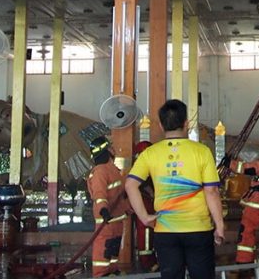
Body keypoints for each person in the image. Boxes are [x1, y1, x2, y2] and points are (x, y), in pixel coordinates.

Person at [125, 100, 225, 279]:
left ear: (161, 125)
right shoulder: (202, 151)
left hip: (166, 230)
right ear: (186, 123)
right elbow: (211, 192)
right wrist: (219, 225)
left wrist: (145, 217)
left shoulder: (150, 153)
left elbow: (130, 185)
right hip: (198, 229)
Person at [86, 136, 130, 276]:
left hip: (116, 219)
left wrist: (128, 208)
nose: (113, 149)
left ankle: (113, 271)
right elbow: (99, 194)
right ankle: (101, 274)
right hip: (106, 220)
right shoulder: (100, 172)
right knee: (104, 249)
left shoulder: (113, 170)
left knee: (113, 248)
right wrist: (103, 210)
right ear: (107, 150)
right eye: (110, 146)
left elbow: (119, 193)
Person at [230, 144, 259, 264]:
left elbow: (247, 168)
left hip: (257, 202)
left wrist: (230, 163)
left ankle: (244, 260)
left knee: (247, 230)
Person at [132, 140, 159, 272]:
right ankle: (147, 263)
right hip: (144, 204)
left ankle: (151, 260)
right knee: (146, 233)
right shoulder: (140, 171)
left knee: (150, 233)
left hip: (151, 204)